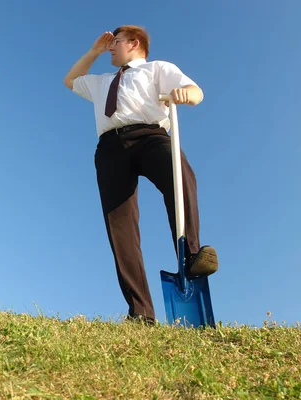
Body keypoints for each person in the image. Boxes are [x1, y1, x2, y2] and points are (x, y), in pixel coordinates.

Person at [63, 25, 218, 325]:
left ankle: (192, 256)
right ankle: (140, 312)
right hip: (110, 149)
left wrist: (188, 94)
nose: (110, 47)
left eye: (115, 42)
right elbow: (70, 80)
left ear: (134, 44)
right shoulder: (102, 81)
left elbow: (197, 92)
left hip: (150, 137)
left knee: (180, 173)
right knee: (120, 227)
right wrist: (93, 52)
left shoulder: (157, 68)